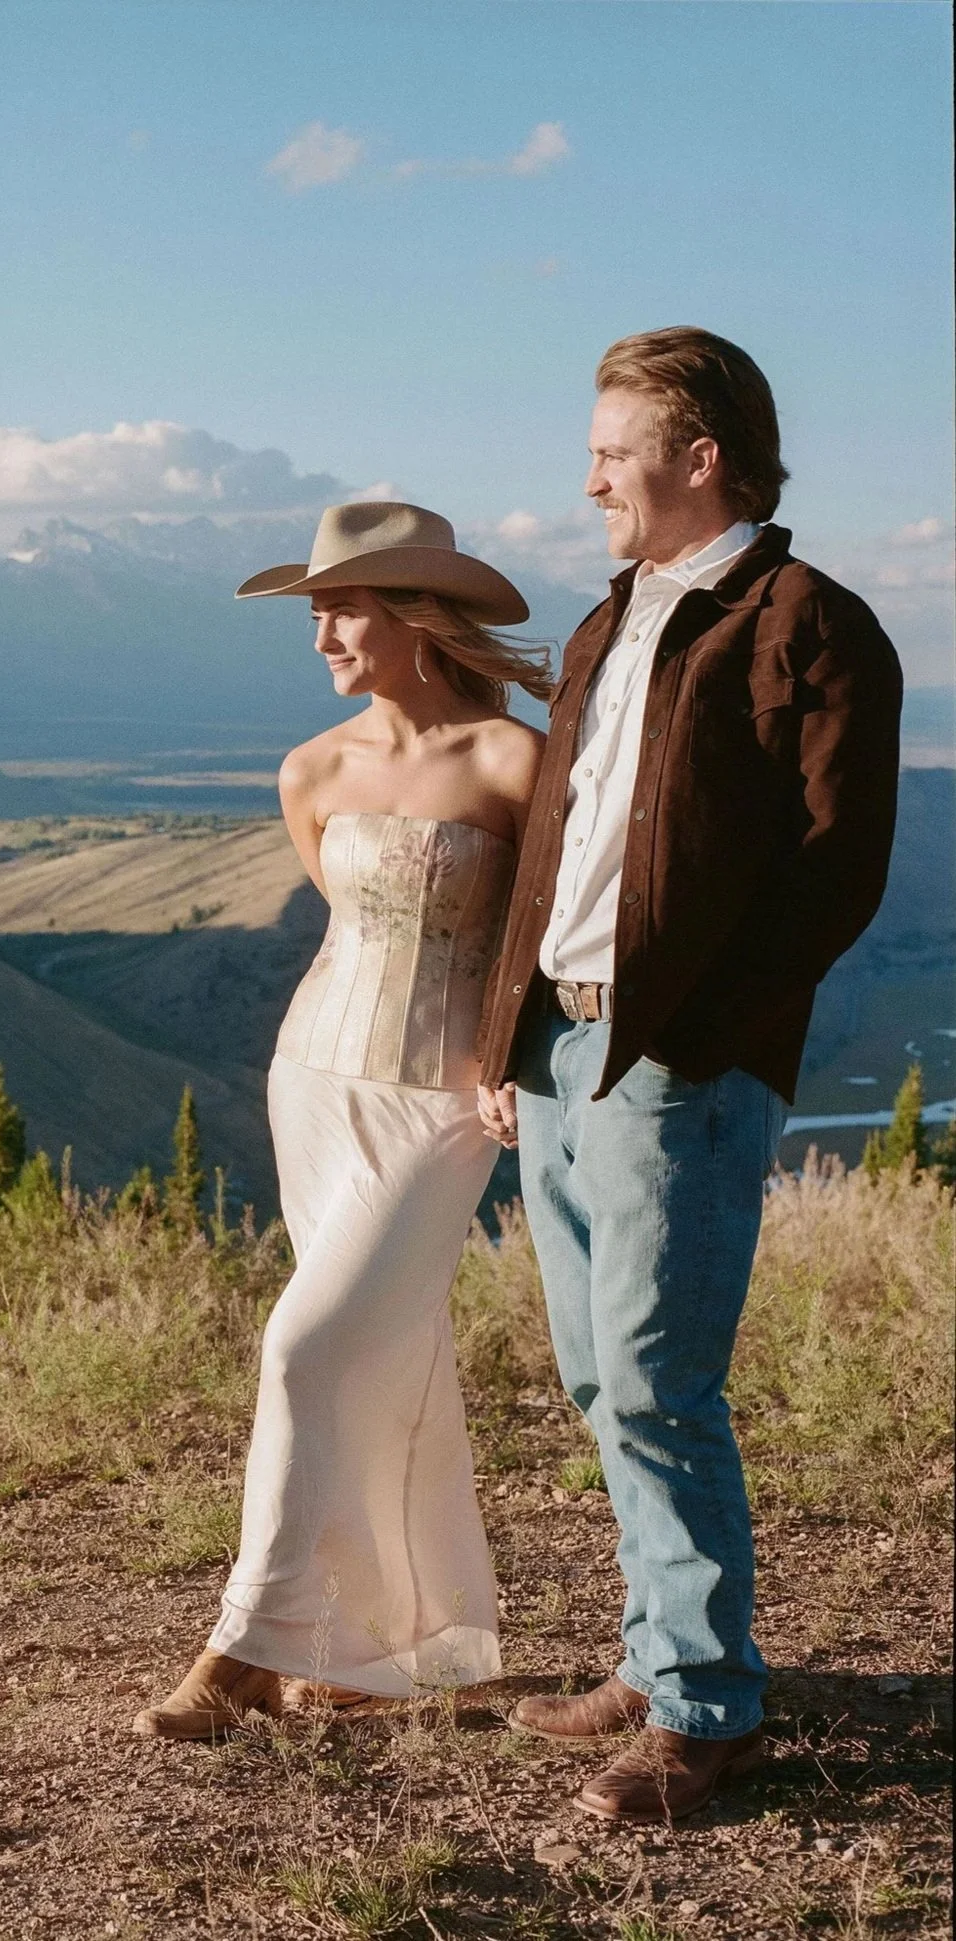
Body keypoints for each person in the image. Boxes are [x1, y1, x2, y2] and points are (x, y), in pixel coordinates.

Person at [477, 328, 903, 1823]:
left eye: (612, 448)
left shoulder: (811, 626)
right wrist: (508, 1037)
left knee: (660, 1377)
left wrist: (700, 1027)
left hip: (674, 1053)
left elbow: (835, 870)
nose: (588, 474)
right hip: (557, 1044)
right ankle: (660, 1659)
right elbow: (561, 844)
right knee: (601, 1372)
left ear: (698, 456)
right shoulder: (612, 619)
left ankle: (710, 1710)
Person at [134, 501, 549, 1738]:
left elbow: (537, 943)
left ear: (417, 617)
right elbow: (347, 921)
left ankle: (246, 1649)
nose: (319, 629)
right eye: (314, 606)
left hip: (444, 1102)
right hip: (315, 1080)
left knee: (303, 1350)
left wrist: (512, 1060)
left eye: (341, 605)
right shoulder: (309, 769)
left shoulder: (514, 762)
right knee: (379, 1354)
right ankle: (398, 1649)